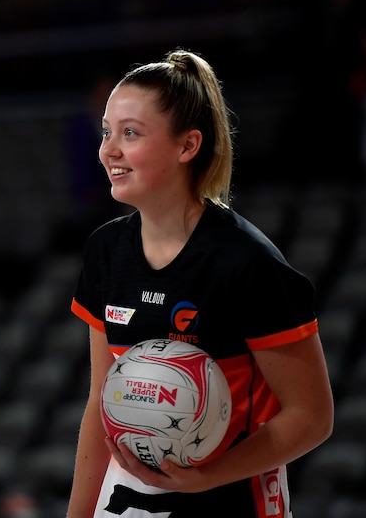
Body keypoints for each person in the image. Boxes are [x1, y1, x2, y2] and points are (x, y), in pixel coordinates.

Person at [66, 49, 333, 517]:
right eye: (107, 131)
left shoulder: (246, 261)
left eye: (130, 133)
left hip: (233, 501)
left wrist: (204, 478)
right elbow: (98, 402)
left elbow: (312, 416)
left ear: (188, 146)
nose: (109, 149)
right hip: (130, 500)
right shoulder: (105, 251)